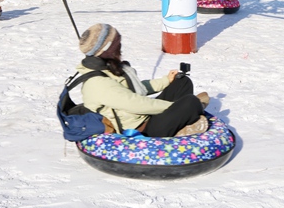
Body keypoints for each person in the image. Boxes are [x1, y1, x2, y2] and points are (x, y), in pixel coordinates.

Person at [76, 23, 209, 138]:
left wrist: (166, 81)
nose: (120, 45)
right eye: (117, 42)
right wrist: (175, 108)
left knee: (182, 82)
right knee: (190, 102)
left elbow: (136, 88)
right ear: (107, 49)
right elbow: (135, 103)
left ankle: (183, 116)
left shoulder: (109, 65)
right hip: (142, 129)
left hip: (145, 116)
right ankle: (185, 117)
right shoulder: (98, 83)